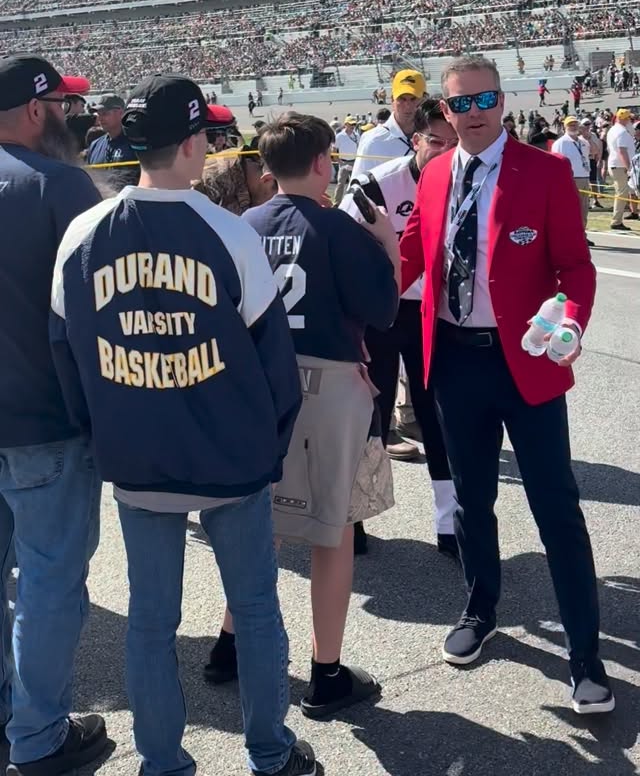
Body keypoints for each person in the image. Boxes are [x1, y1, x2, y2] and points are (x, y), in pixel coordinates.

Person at [49, 75, 316, 776]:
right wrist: (268, 451)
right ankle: (270, 753)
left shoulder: (83, 234)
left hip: (138, 460)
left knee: (150, 621)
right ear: (194, 143)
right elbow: (275, 364)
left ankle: (161, 762)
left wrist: (104, 434)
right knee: (254, 609)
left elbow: (64, 355)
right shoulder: (227, 232)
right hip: (232, 462)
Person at [400, 55, 613, 715]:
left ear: (502, 100)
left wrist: (568, 323)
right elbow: (409, 255)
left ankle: (585, 655)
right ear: (444, 110)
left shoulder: (544, 171)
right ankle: (480, 608)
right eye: (460, 103)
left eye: (484, 99)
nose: (474, 113)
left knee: (557, 509)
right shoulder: (436, 173)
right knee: (471, 500)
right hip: (454, 362)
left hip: (526, 360)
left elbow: (575, 269)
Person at [206, 112, 399, 720]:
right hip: (326, 383)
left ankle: (229, 645)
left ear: (266, 168)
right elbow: (383, 308)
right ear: (322, 162)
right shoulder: (337, 227)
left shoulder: (244, 224)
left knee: (259, 522)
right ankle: (327, 670)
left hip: (260, 383)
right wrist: (389, 244)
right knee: (330, 530)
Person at [0, 55, 107, 776]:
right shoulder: (59, 184)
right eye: (62, 106)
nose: (70, 117)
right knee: (48, 583)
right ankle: (37, 736)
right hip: (44, 421)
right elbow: (95, 313)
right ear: (38, 109)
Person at [341, 99, 458, 551]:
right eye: (435, 142)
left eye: (453, 143)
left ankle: (449, 523)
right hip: (382, 314)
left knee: (437, 416)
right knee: (370, 415)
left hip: (435, 313)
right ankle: (352, 518)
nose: (444, 151)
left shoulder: (464, 180)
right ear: (416, 140)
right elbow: (342, 246)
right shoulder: (377, 184)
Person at [351, 69, 426, 180]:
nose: (408, 105)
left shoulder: (435, 137)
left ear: (424, 100)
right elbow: (358, 185)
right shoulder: (373, 141)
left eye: (413, 99)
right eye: (402, 99)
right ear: (392, 100)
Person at [551, 117, 592, 243]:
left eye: (575, 124)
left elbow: (595, 152)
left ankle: (581, 235)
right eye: (570, 125)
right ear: (565, 127)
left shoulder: (583, 142)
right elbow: (555, 163)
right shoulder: (561, 143)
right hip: (570, 179)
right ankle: (568, 235)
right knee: (571, 210)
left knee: (583, 210)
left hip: (584, 177)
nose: (573, 127)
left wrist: (589, 137)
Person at [86, 95, 139, 187]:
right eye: (98, 114)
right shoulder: (95, 145)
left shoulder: (136, 143)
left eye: (105, 113)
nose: (100, 118)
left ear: (121, 113)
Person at [606, 108, 636, 231]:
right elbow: (622, 151)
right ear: (623, 119)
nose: (630, 120)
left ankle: (617, 219)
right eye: (628, 118)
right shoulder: (622, 132)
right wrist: (629, 168)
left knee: (623, 192)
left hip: (616, 165)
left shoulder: (614, 130)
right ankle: (616, 221)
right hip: (620, 166)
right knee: (621, 193)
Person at [333, 116, 359, 206]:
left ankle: (354, 203)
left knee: (356, 184)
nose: (353, 126)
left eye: (354, 124)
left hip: (354, 162)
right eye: (351, 124)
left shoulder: (357, 135)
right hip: (343, 162)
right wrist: (341, 163)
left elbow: (359, 148)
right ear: (345, 125)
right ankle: (336, 203)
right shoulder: (339, 136)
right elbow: (334, 151)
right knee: (340, 184)